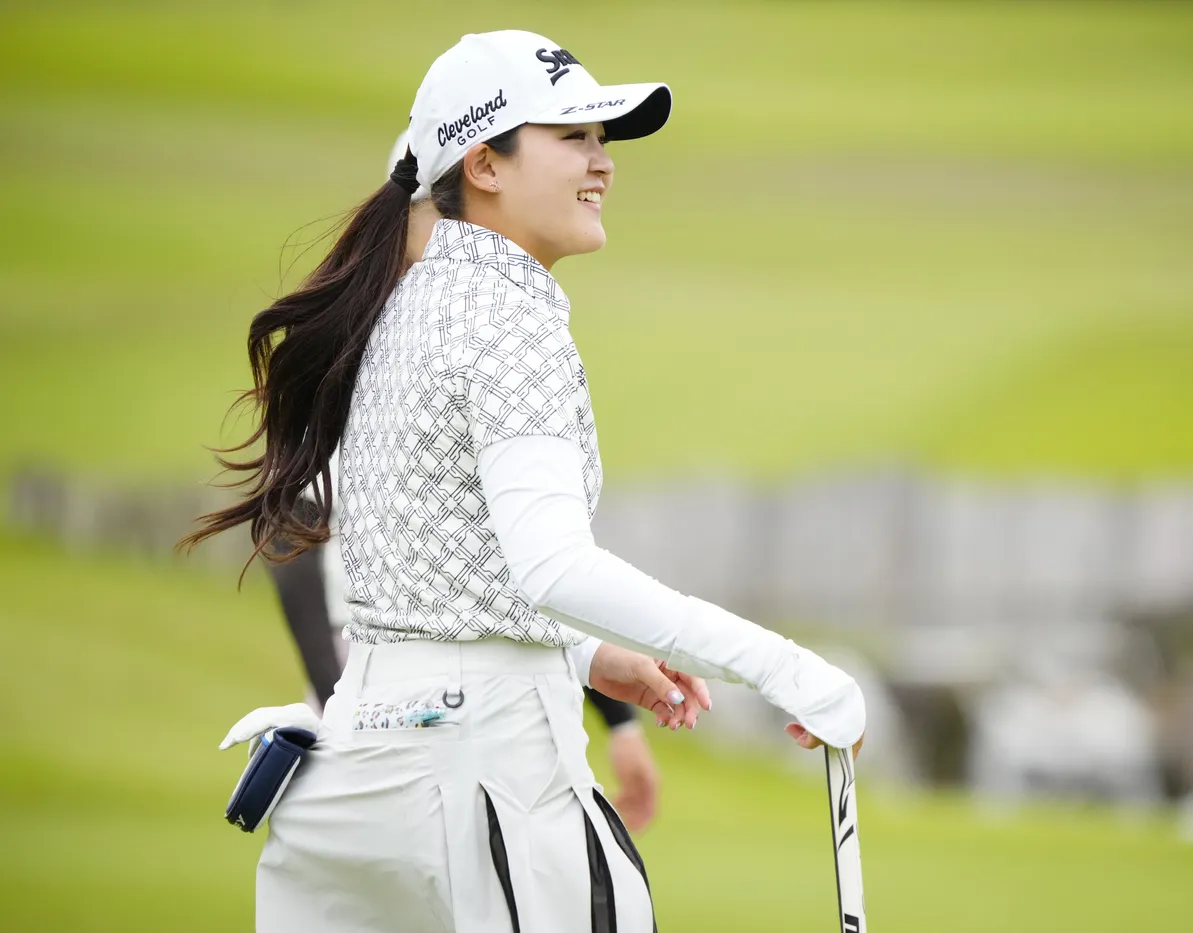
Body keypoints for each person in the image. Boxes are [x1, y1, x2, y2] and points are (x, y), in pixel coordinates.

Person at [187, 29, 865, 933]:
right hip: (488, 778)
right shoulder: (511, 318)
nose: (602, 162)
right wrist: (788, 670)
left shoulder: (400, 307)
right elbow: (555, 567)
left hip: (358, 784)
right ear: (484, 165)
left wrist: (584, 656)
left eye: (602, 139)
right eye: (572, 137)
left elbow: (443, 561)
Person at [261, 135, 661, 831]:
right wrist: (340, 703)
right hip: (385, 722)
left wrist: (620, 723)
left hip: (474, 724)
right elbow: (291, 541)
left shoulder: (482, 338)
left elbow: (531, 571)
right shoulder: (374, 349)